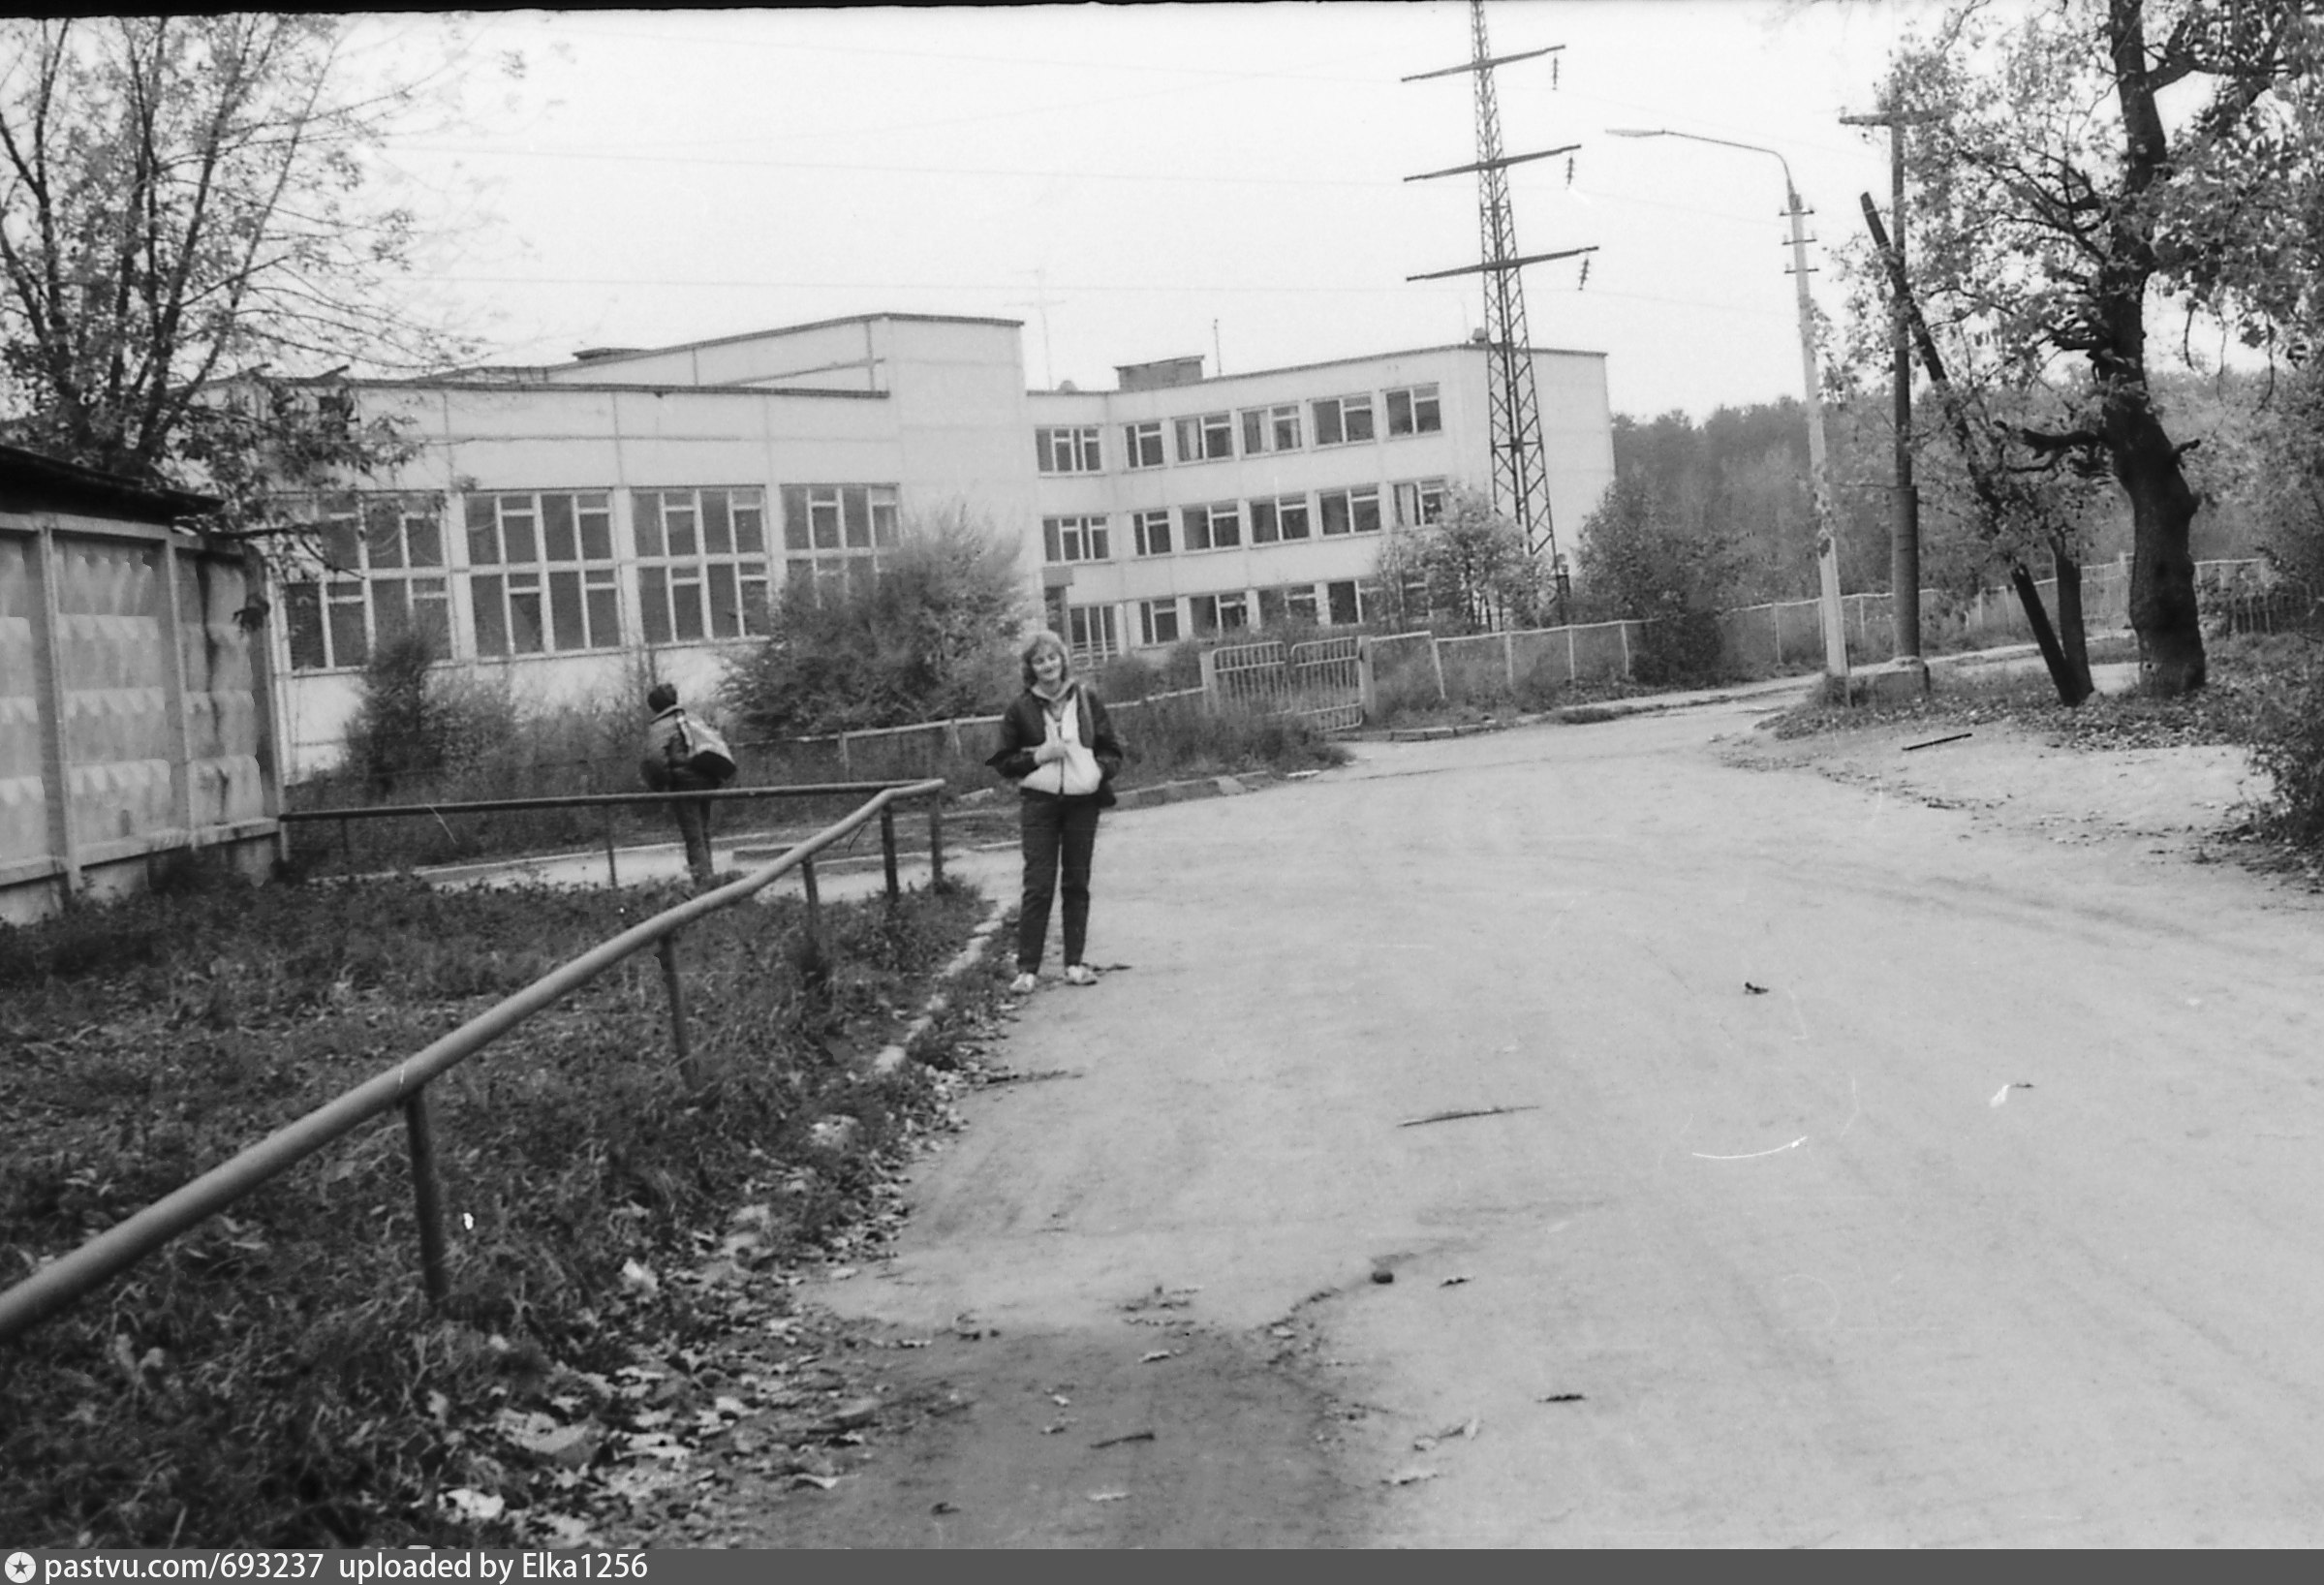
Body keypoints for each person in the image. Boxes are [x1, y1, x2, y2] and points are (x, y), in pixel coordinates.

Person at [986, 631, 1123, 994]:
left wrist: (1098, 773)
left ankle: (1074, 964)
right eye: (1039, 660)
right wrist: (1036, 756)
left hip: (1082, 803)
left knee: (1077, 883)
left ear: (1063, 659)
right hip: (1040, 805)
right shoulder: (1021, 708)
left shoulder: (1086, 698)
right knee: (1038, 885)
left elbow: (1112, 748)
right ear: (1030, 668)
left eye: (1052, 657)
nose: (1048, 666)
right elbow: (1003, 761)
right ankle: (1027, 968)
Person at [638, 681, 729, 886]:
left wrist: (663, 782)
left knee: (693, 834)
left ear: (654, 706)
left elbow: (654, 759)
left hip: (684, 784)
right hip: (706, 779)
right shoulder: (692, 717)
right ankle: (710, 877)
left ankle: (704, 883)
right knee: (703, 831)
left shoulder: (660, 726)